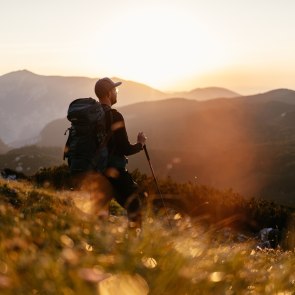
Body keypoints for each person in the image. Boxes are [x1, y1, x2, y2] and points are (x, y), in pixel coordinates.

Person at [94, 77, 147, 229]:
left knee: (101, 216)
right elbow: (125, 149)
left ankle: (99, 248)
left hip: (94, 173)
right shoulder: (115, 116)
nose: (117, 93)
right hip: (115, 173)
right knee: (135, 206)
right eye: (115, 90)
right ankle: (133, 248)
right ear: (109, 93)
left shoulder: (92, 117)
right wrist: (140, 144)